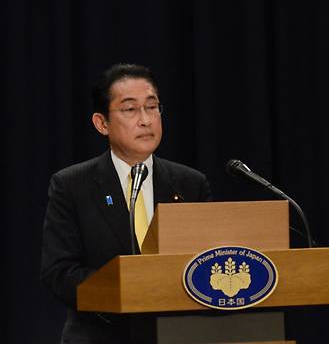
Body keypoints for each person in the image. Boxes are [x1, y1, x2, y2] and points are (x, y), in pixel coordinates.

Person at [41, 64, 213, 344]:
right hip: (102, 335)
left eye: (152, 106)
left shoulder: (190, 184)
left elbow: (205, 263)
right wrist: (128, 288)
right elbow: (59, 273)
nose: (145, 120)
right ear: (101, 123)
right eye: (130, 109)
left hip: (178, 335)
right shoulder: (72, 185)